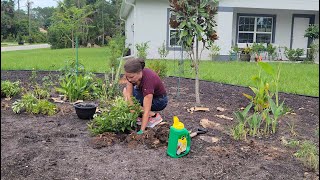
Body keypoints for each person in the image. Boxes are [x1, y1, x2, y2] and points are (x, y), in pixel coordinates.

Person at [123, 58, 168, 135]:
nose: (129, 80)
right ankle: (139, 115)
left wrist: (141, 131)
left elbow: (146, 110)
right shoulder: (131, 77)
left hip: (159, 100)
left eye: (131, 77)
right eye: (127, 77)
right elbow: (129, 96)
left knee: (138, 105)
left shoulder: (148, 80)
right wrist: (132, 111)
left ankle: (155, 117)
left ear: (140, 72)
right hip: (144, 93)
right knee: (125, 92)